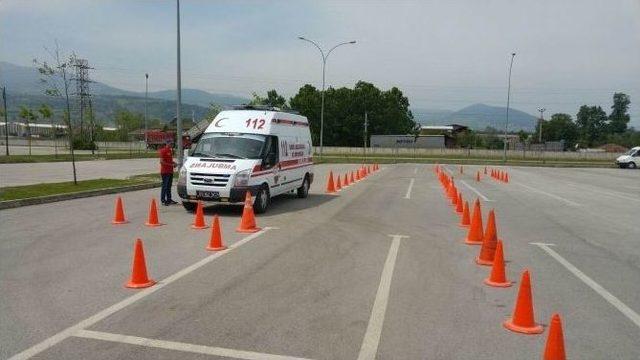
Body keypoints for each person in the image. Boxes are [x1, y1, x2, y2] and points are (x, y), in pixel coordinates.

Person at [159, 139, 178, 205]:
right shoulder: (163, 151)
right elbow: (161, 162)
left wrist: (174, 163)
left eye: (172, 143)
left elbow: (169, 160)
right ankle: (163, 200)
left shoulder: (170, 151)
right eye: (170, 143)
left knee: (169, 186)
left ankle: (169, 199)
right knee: (165, 186)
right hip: (165, 172)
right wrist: (171, 165)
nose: (172, 145)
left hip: (170, 171)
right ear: (167, 143)